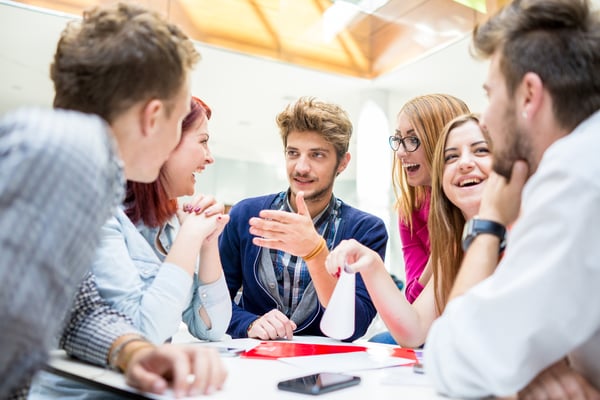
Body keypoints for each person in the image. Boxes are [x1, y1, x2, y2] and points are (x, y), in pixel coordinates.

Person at [2, 3, 227, 399]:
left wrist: (134, 352)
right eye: (178, 121)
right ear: (152, 116)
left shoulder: (86, 167)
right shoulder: (65, 152)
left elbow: (80, 310)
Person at [425, 0, 600, 397]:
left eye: (490, 93)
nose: (484, 117)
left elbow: (450, 360)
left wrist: (488, 224)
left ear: (528, 95)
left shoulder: (574, 175)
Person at [28, 97, 232, 398]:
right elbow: (140, 336)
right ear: (165, 144)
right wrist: (190, 238)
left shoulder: (171, 223)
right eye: (202, 141)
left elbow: (213, 329)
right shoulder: (96, 214)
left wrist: (207, 241)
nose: (209, 157)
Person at [219, 96, 387, 341]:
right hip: (254, 364)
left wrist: (315, 252)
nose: (301, 167)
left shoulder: (366, 230)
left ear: (342, 163)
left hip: (327, 369)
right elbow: (215, 301)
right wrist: (249, 323)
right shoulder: (245, 215)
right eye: (293, 153)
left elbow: (355, 325)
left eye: (317, 155)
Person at [326, 114, 493, 347]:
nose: (464, 163)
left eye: (481, 151)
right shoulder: (454, 244)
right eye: (451, 156)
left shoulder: (526, 230)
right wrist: (371, 263)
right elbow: (415, 330)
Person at [391, 94, 470, 304]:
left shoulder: (474, 201)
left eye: (413, 140)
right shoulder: (409, 211)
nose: (400, 152)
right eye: (399, 139)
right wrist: (441, 251)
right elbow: (412, 301)